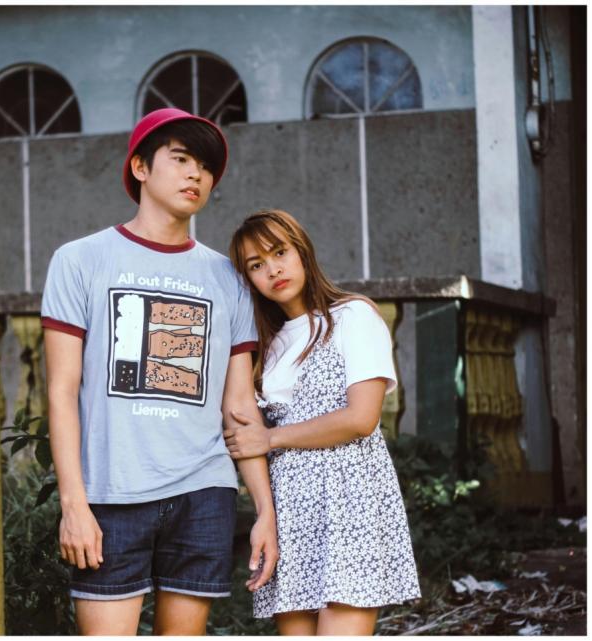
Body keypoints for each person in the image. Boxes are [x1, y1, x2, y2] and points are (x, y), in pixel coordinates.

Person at [41, 108, 279, 636]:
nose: (197, 174)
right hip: (111, 492)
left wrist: (264, 510)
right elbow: (61, 390)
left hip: (203, 491)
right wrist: (73, 504)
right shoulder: (80, 260)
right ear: (141, 168)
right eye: (182, 159)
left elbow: (239, 406)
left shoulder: (229, 278)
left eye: (207, 167)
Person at [225, 209, 421, 636]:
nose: (272, 269)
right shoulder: (265, 347)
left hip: (351, 504)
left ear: (302, 251)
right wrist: (264, 512)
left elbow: (361, 418)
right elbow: (241, 430)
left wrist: (269, 436)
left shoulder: (353, 316)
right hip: (290, 511)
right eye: (256, 265)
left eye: (280, 252)